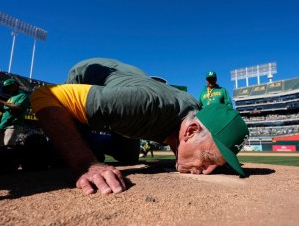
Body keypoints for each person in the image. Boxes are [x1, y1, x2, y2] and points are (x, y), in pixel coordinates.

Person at [30, 58, 249, 195]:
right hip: (89, 76)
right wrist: (84, 163)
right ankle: (88, 141)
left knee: (128, 157)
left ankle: (100, 140)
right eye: (210, 160)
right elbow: (44, 95)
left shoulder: (195, 115)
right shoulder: (142, 106)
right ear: (190, 131)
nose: (209, 170)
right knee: (66, 152)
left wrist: (217, 156)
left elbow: (205, 135)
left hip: (131, 94)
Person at [0, 79, 30, 146]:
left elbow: (19, 107)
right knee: (0, 149)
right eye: (6, 87)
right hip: (4, 125)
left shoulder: (22, 96)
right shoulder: (11, 98)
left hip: (12, 125)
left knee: (8, 147)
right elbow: (5, 111)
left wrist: (3, 102)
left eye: (8, 86)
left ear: (15, 85)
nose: (7, 89)